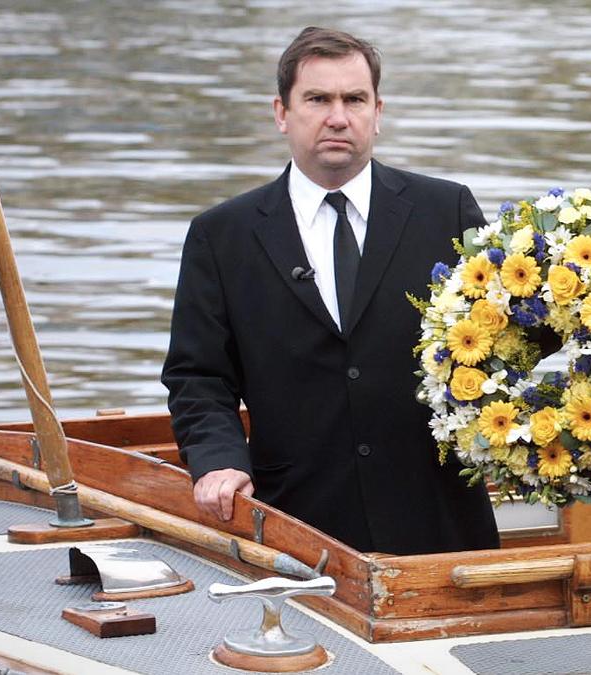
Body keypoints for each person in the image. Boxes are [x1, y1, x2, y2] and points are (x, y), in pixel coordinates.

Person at [162, 27, 499, 555]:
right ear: (282, 112)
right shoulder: (222, 235)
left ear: (377, 112)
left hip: (438, 516)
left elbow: (500, 344)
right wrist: (219, 461)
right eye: (317, 99)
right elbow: (198, 376)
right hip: (293, 520)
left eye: (354, 99)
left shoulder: (447, 211)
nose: (337, 117)